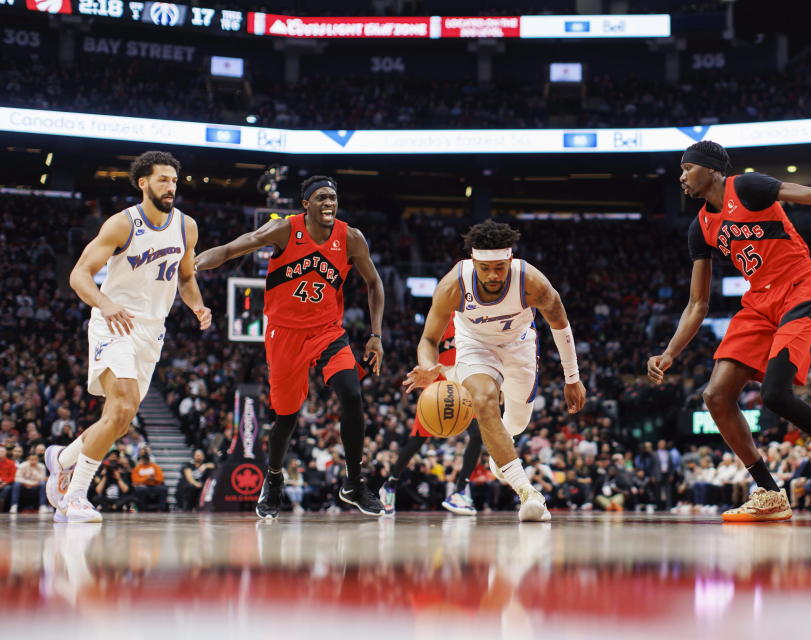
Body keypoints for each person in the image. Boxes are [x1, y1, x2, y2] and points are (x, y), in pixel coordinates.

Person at [647, 140, 811, 522]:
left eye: (687, 168)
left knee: (775, 394)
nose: (681, 176)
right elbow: (698, 304)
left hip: (798, 287)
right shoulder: (701, 226)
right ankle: (769, 491)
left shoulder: (746, 187)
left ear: (712, 169)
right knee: (715, 395)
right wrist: (670, 352)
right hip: (758, 302)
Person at [195, 175, 386, 518]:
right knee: (286, 418)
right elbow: (230, 249)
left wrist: (375, 335)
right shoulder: (284, 230)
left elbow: (374, 283)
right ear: (306, 204)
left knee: (351, 394)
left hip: (327, 331)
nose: (329, 203)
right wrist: (193, 264)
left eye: (333, 197)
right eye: (322, 198)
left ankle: (354, 482)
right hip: (284, 334)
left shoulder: (351, 237)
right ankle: (274, 479)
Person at [45, 151, 211, 523]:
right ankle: (73, 497)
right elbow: (79, 275)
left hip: (152, 332)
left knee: (121, 418)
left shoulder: (187, 227)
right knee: (121, 406)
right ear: (143, 183)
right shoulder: (123, 224)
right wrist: (104, 304)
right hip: (114, 322)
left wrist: (197, 306)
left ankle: (62, 458)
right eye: (163, 180)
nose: (171, 187)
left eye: (173, 180)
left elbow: (186, 278)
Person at [404, 219, 586, 522]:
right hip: (475, 345)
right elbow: (429, 339)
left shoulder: (532, 282)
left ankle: (501, 450)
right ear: (473, 261)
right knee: (484, 399)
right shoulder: (453, 285)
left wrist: (572, 378)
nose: (492, 275)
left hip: (519, 346)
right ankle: (528, 493)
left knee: (515, 422)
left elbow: (560, 324)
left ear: (510, 260)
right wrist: (427, 366)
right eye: (484, 268)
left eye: (499, 268)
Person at [380, 314, 485, 516]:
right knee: (417, 440)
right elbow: (426, 346)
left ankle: (460, 491)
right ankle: (389, 485)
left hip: (466, 384)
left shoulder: (478, 317)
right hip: (439, 385)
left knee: (477, 434)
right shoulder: (444, 316)